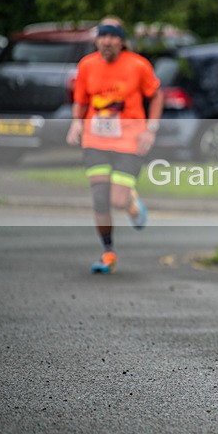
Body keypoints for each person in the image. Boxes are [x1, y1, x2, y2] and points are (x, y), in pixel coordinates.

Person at [66, 16, 164, 274]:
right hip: (95, 138)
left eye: (113, 36)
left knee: (117, 200)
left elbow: (156, 95)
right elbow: (81, 99)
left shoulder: (138, 66)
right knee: (100, 199)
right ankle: (108, 252)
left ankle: (130, 201)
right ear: (97, 39)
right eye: (103, 36)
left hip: (128, 139)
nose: (107, 41)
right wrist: (76, 123)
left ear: (122, 41)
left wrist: (151, 130)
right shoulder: (87, 66)